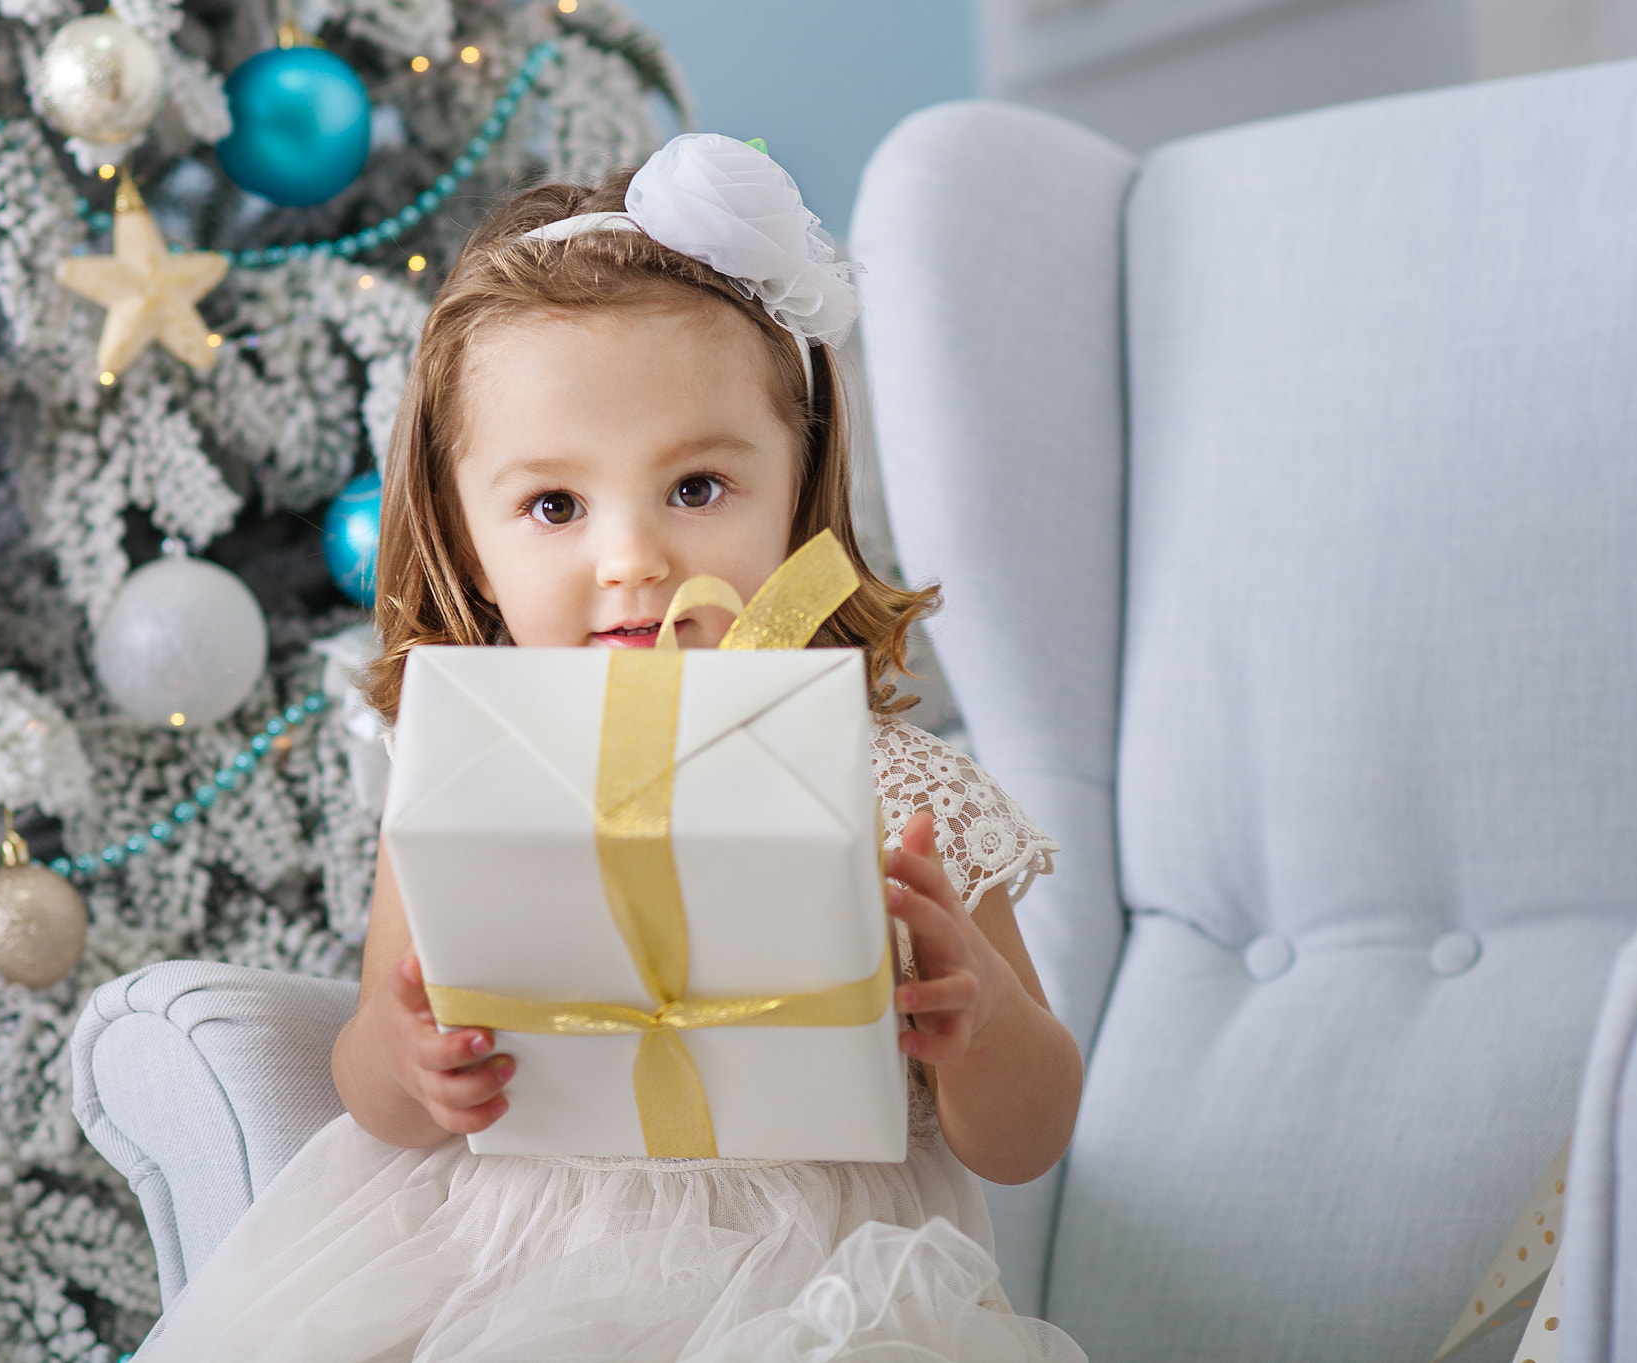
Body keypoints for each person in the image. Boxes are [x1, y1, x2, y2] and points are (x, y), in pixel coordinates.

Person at [132, 133, 1087, 1363]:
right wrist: (408, 1059)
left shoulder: (895, 787)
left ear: (798, 488)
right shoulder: (471, 773)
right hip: (502, 1257)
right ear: (465, 536)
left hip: (818, 1281)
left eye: (694, 488)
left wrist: (982, 1017)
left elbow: (1027, 1136)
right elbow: (377, 1081)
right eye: (553, 506)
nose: (631, 557)